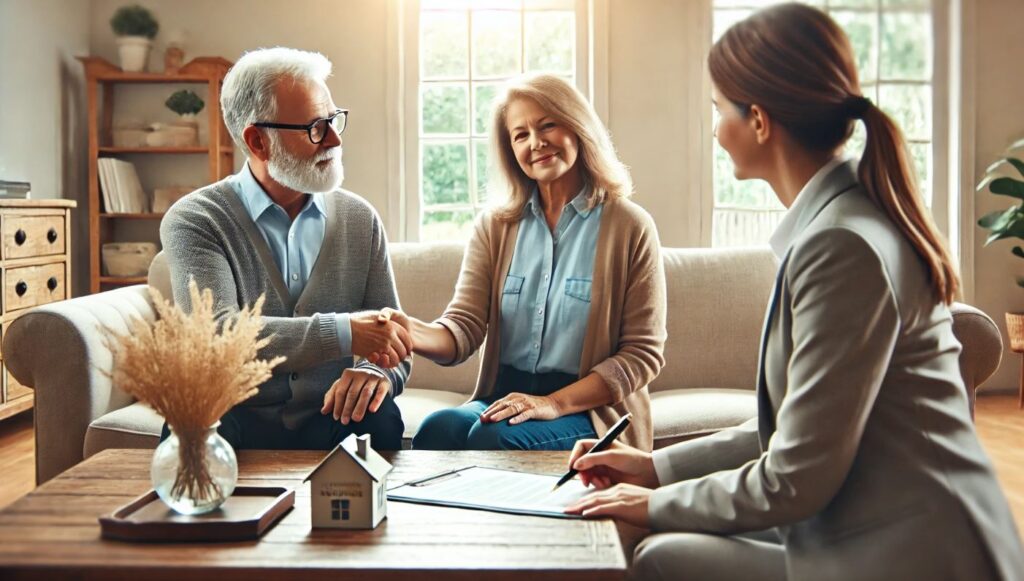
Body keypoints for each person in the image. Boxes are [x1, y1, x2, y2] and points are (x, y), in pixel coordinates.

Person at [562, 4, 1024, 580]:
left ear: (758, 120)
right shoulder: (842, 224)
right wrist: (653, 468)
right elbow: (789, 429)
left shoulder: (841, 247)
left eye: (717, 109)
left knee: (662, 556)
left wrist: (651, 504)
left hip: (916, 552)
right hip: (871, 522)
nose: (713, 128)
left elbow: (794, 474)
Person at [379, 74, 666, 451]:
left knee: (492, 437)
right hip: (507, 399)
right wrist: (410, 332)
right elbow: (463, 328)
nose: (536, 143)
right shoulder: (495, 226)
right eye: (521, 134)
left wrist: (552, 404)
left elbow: (642, 355)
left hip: (590, 412)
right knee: (438, 429)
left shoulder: (630, 226)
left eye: (548, 125)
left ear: (578, 127)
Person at [160, 47, 411, 451]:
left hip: (330, 414)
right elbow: (218, 337)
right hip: (235, 412)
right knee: (193, 420)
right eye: (314, 127)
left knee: (377, 416)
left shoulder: (359, 219)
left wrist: (375, 373)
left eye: (333, 120)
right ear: (258, 141)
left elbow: (393, 337)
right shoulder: (196, 219)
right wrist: (345, 333)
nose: (333, 139)